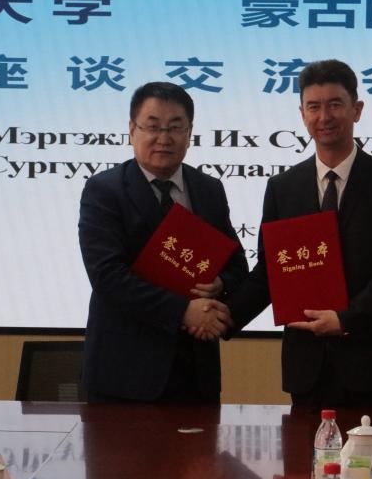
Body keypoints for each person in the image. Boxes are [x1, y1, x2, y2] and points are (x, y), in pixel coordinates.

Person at [228, 59, 372, 407]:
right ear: (302, 114)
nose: (324, 117)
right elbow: (270, 272)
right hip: (309, 367)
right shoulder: (283, 188)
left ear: (356, 110)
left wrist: (345, 319)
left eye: (335, 104)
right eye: (313, 107)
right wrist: (223, 318)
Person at [78, 81, 248, 404]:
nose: (164, 138)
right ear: (132, 130)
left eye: (175, 127)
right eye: (153, 127)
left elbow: (237, 267)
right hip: (124, 373)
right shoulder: (105, 191)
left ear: (189, 132)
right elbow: (107, 276)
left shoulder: (208, 189)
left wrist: (218, 284)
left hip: (196, 371)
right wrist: (183, 311)